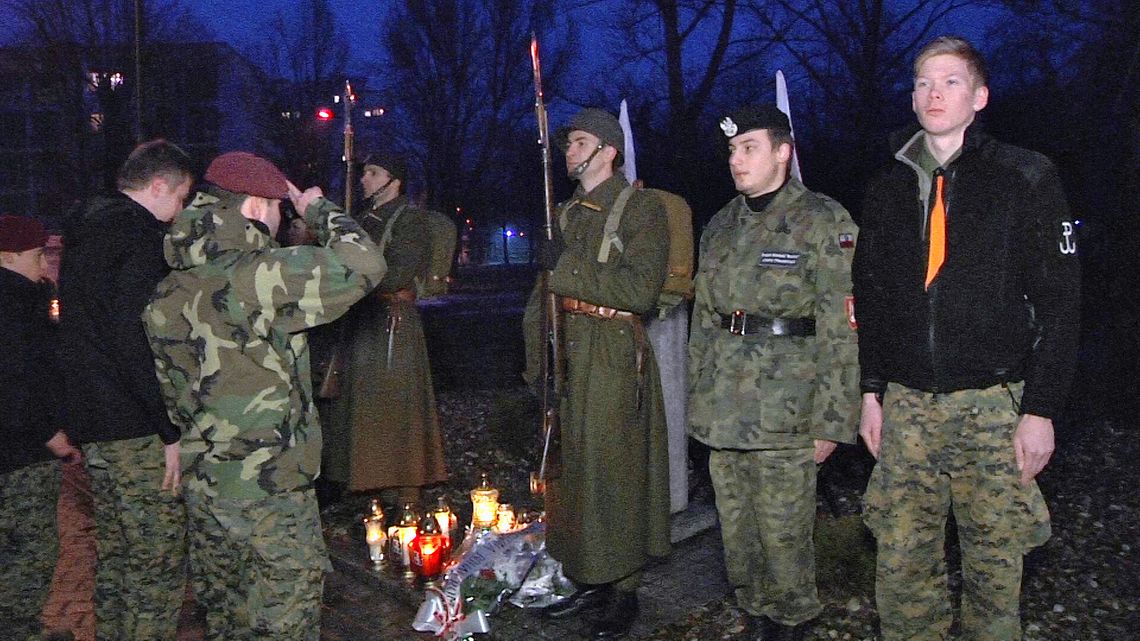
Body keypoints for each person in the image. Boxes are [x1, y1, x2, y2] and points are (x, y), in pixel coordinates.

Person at [853, 36, 1081, 641]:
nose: (934, 92)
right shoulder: (886, 185)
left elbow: (1061, 305)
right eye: (924, 81)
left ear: (978, 96)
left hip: (993, 405)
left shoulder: (1025, 177)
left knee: (994, 568)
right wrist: (870, 391)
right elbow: (870, 299)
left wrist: (1040, 410)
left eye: (950, 81)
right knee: (901, 567)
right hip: (906, 408)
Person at [143, 151, 386, 640]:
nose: (282, 222)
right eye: (279, 210)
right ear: (255, 206)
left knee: (228, 622)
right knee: (284, 621)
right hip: (269, 490)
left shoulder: (169, 288)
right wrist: (317, 208)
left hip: (207, 487)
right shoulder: (259, 275)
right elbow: (366, 264)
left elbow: (172, 393)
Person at [688, 105, 860, 641]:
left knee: (785, 538)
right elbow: (704, 321)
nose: (736, 161)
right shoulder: (720, 224)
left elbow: (842, 324)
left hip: (789, 408)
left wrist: (834, 421)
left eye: (749, 148)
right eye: (732, 151)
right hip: (726, 408)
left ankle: (793, 625)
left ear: (783, 152)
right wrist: (697, 400)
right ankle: (756, 619)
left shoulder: (823, 220)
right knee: (738, 537)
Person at [537, 107, 671, 639]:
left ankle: (624, 587)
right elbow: (543, 297)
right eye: (567, 142)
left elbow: (639, 291)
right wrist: (535, 361)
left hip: (614, 353)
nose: (569, 150)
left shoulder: (641, 210)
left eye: (580, 141)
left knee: (613, 469)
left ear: (608, 150)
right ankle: (587, 573)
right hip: (568, 351)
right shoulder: (567, 214)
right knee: (571, 471)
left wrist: (564, 266)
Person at [57, 139, 193, 641]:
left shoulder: (86, 234)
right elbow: (134, 338)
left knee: (117, 556)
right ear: (158, 186)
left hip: (95, 420)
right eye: (180, 199)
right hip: (134, 425)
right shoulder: (138, 239)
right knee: (154, 566)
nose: (178, 213)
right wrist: (168, 426)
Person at [321, 151, 447, 507]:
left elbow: (394, 273)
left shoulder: (410, 222)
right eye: (364, 172)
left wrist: (348, 271)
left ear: (395, 180)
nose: (364, 179)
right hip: (363, 323)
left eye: (373, 173)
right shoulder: (363, 219)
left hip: (393, 322)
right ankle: (365, 487)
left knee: (396, 411)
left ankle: (402, 491)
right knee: (360, 410)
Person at [0, 214, 82, 641]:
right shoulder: (16, 303)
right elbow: (16, 379)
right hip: (20, 454)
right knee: (28, 550)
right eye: (38, 257)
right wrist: (50, 433)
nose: (45, 267)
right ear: (8, 257)